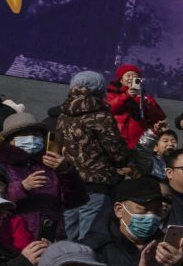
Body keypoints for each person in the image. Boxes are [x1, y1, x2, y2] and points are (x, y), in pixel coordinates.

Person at [50, 71, 131, 240]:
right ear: (100, 90)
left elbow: (58, 147)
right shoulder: (101, 115)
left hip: (69, 184)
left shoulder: (63, 115)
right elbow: (118, 153)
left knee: (67, 237)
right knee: (91, 239)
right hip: (96, 185)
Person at [0, 111, 81, 250]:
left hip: (50, 236)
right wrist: (22, 187)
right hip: (13, 237)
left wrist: (65, 170)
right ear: (10, 140)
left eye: (36, 134)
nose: (32, 139)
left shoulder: (50, 164)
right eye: (24, 135)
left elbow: (75, 200)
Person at [105, 65, 167, 149]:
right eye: (128, 75)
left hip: (141, 142)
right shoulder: (112, 95)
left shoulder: (146, 98)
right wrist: (126, 96)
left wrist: (144, 103)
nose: (131, 78)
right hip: (117, 139)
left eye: (135, 76)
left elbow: (159, 118)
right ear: (121, 80)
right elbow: (108, 109)